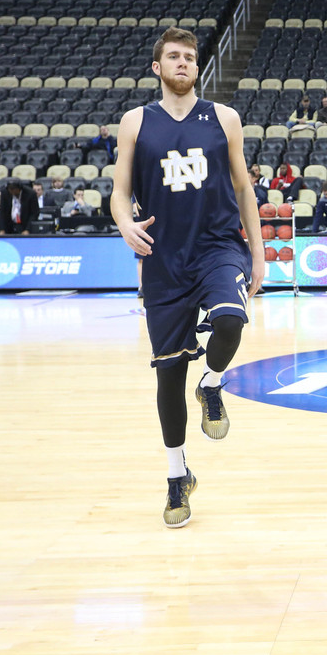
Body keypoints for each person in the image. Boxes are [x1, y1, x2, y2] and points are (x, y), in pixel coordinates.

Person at [110, 27, 264, 528]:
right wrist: (124, 222)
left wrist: (258, 256)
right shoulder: (136, 122)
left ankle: (214, 383)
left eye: (190, 57)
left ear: (197, 67)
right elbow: (119, 192)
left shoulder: (225, 118)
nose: (183, 63)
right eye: (173, 57)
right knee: (168, 372)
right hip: (164, 258)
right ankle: (178, 475)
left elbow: (244, 188)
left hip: (218, 246)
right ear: (157, 68)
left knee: (231, 321)